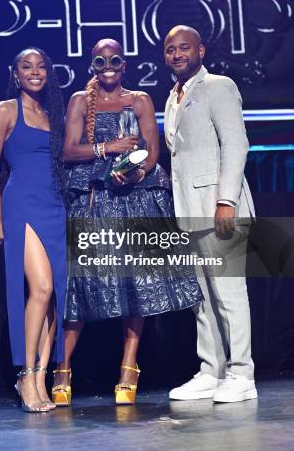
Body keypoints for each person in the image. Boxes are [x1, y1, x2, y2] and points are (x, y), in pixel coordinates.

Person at [51, 38, 203, 406]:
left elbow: (152, 151)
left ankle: (128, 369)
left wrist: (134, 173)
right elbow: (69, 151)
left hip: (135, 199)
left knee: (137, 286)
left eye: (115, 60)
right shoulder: (78, 101)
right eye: (100, 60)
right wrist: (109, 149)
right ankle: (61, 368)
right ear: (92, 64)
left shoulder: (139, 101)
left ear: (124, 65)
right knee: (83, 287)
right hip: (94, 200)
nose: (108, 65)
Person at [163, 25, 257, 403]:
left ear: (200, 50)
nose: (176, 54)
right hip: (189, 210)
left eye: (184, 47)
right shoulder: (173, 96)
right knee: (202, 297)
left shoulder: (218, 86)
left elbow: (236, 143)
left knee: (230, 293)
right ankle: (211, 371)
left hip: (220, 209)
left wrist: (227, 201)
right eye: (170, 49)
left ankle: (242, 374)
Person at [0, 47, 66, 412]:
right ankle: (26, 376)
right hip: (22, 206)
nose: (35, 72)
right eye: (26, 67)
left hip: (55, 206)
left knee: (55, 299)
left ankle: (42, 379)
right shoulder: (5, 110)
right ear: (15, 74)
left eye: (41, 66)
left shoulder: (52, 112)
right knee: (41, 288)